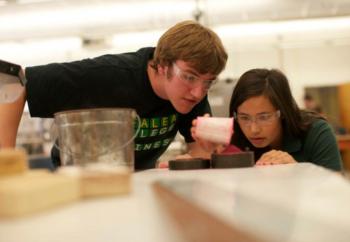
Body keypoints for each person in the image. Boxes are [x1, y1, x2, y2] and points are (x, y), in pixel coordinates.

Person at [0, 20, 228, 170]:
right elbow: (15, 81)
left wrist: (200, 157)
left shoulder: (192, 92)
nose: (198, 92)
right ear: (162, 66)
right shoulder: (106, 75)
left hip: (136, 181)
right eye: (189, 77)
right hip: (80, 180)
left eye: (208, 82)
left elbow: (200, 152)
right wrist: (5, 168)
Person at [192, 68, 343, 172]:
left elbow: (334, 190)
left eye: (264, 117)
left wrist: (297, 169)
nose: (254, 129)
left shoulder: (316, 132)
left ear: (283, 111)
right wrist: (207, 151)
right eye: (244, 117)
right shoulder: (233, 132)